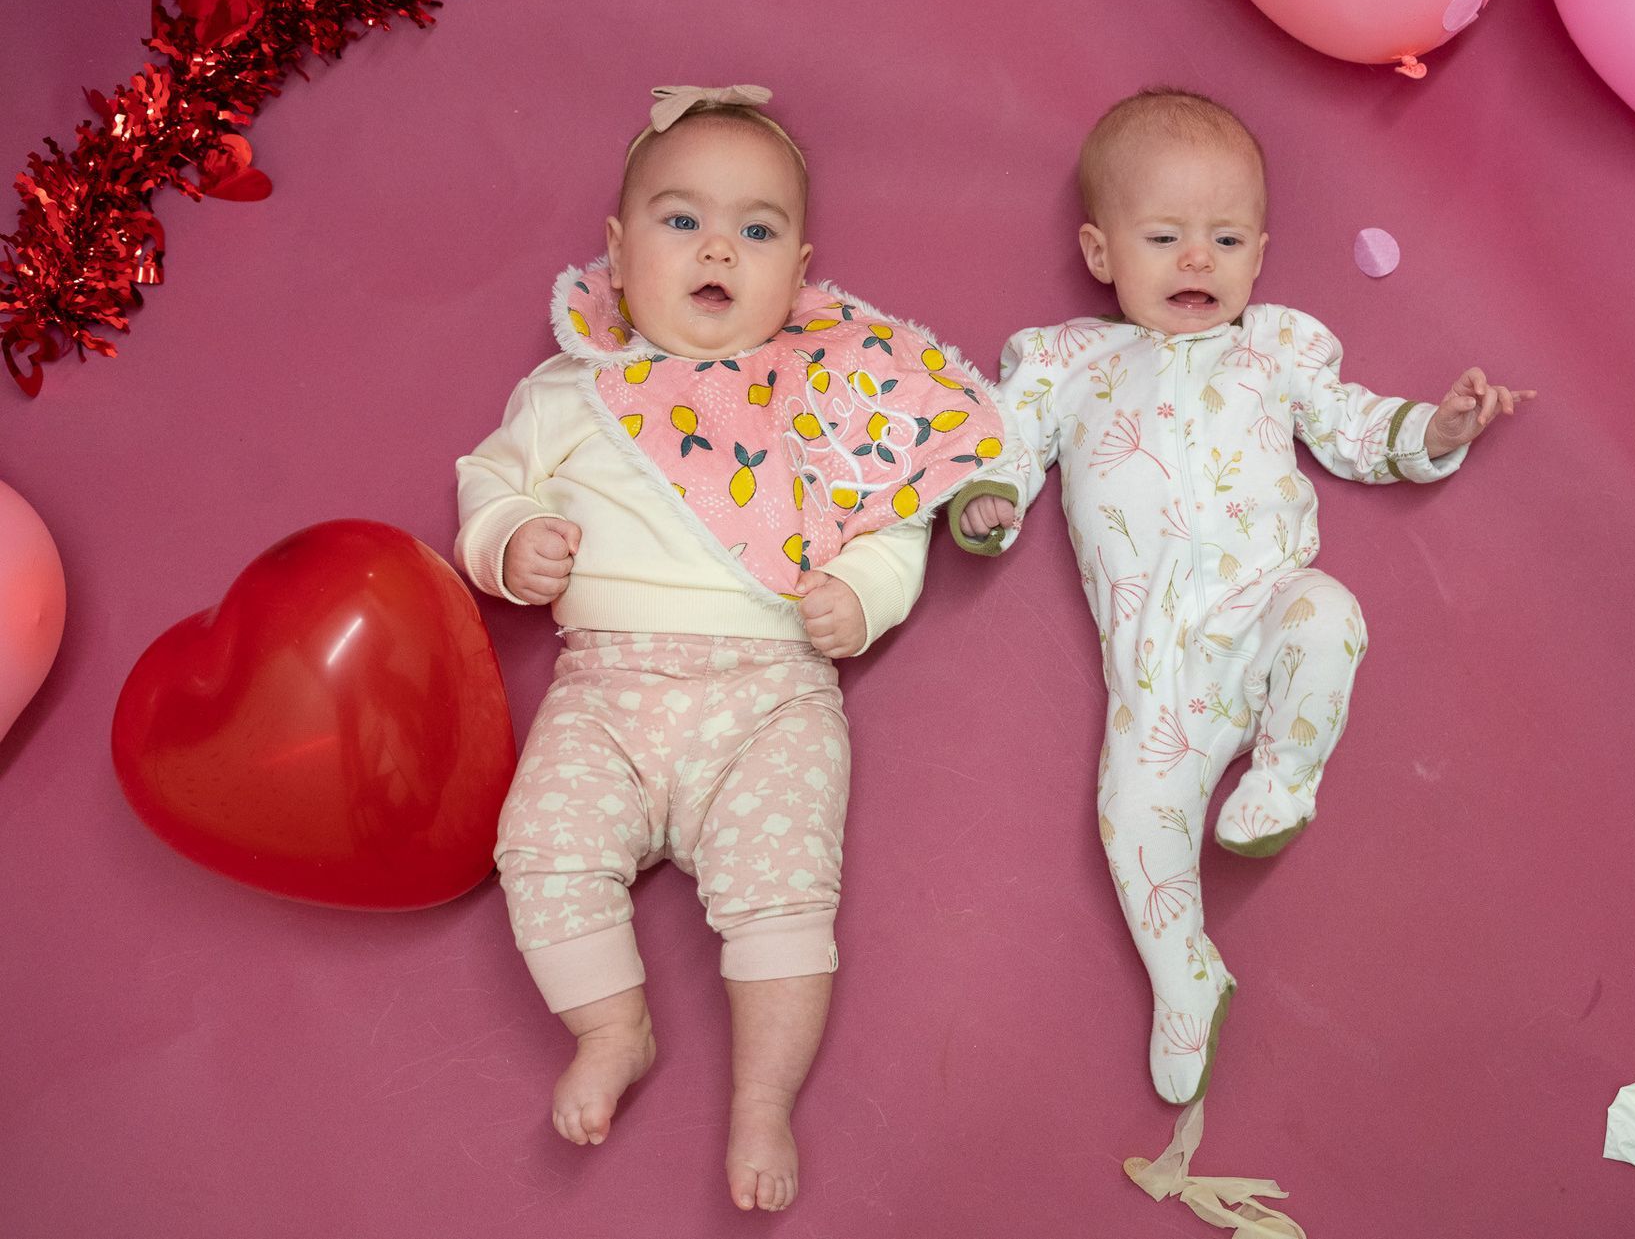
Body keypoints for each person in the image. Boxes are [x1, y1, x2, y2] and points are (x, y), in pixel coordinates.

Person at [455, 84, 1005, 1210]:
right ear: (616, 253)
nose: (718, 248)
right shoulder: (574, 392)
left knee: (784, 897)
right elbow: (486, 482)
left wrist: (862, 590)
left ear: (799, 271)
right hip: (604, 690)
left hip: (770, 696)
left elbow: (890, 511)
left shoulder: (820, 393)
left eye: (756, 230)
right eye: (680, 220)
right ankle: (613, 1029)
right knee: (540, 850)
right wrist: (510, 541)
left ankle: (762, 1100)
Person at [950, 87, 1533, 1105]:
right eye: (1165, 236)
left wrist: (1431, 432)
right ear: (1101, 254)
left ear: (1259, 257)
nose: (1195, 261)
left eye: (1224, 239)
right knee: (1132, 817)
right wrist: (987, 498)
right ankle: (1187, 977)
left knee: (1332, 617)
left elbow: (1355, 428)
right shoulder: (1068, 363)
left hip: (1263, 611)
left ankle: (1285, 776)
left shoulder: (1278, 351)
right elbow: (999, 438)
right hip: (1154, 664)